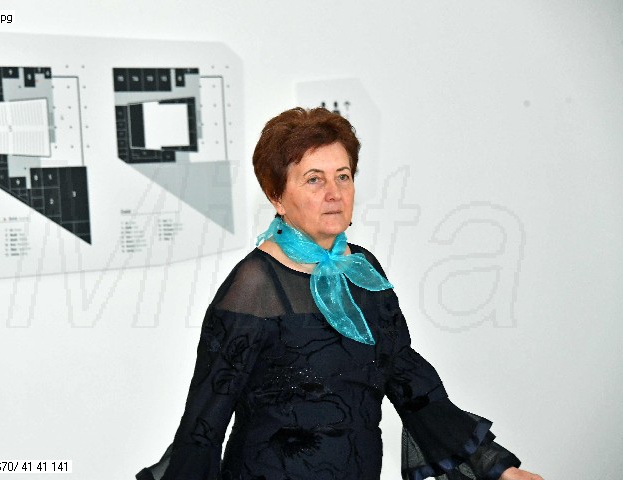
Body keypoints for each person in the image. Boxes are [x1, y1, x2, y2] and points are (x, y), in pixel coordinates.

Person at [136, 107, 543, 480]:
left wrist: (495, 468)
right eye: (314, 179)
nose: (334, 193)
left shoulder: (363, 269)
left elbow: (408, 380)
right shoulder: (253, 284)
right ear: (277, 196)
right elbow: (204, 425)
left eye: (343, 176)